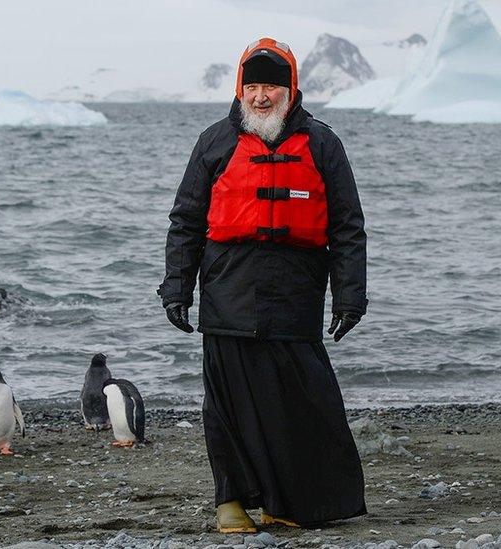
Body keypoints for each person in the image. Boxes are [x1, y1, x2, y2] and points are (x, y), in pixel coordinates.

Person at [158, 37, 368, 532]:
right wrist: (176, 287)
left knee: (302, 403)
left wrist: (350, 294)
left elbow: (347, 225)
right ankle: (230, 505)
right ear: (239, 88)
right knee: (227, 406)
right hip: (228, 294)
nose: (259, 96)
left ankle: (285, 502)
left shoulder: (323, 144)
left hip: (295, 297)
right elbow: (186, 221)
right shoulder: (214, 142)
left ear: (290, 90)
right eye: (251, 85)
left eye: (270, 86)